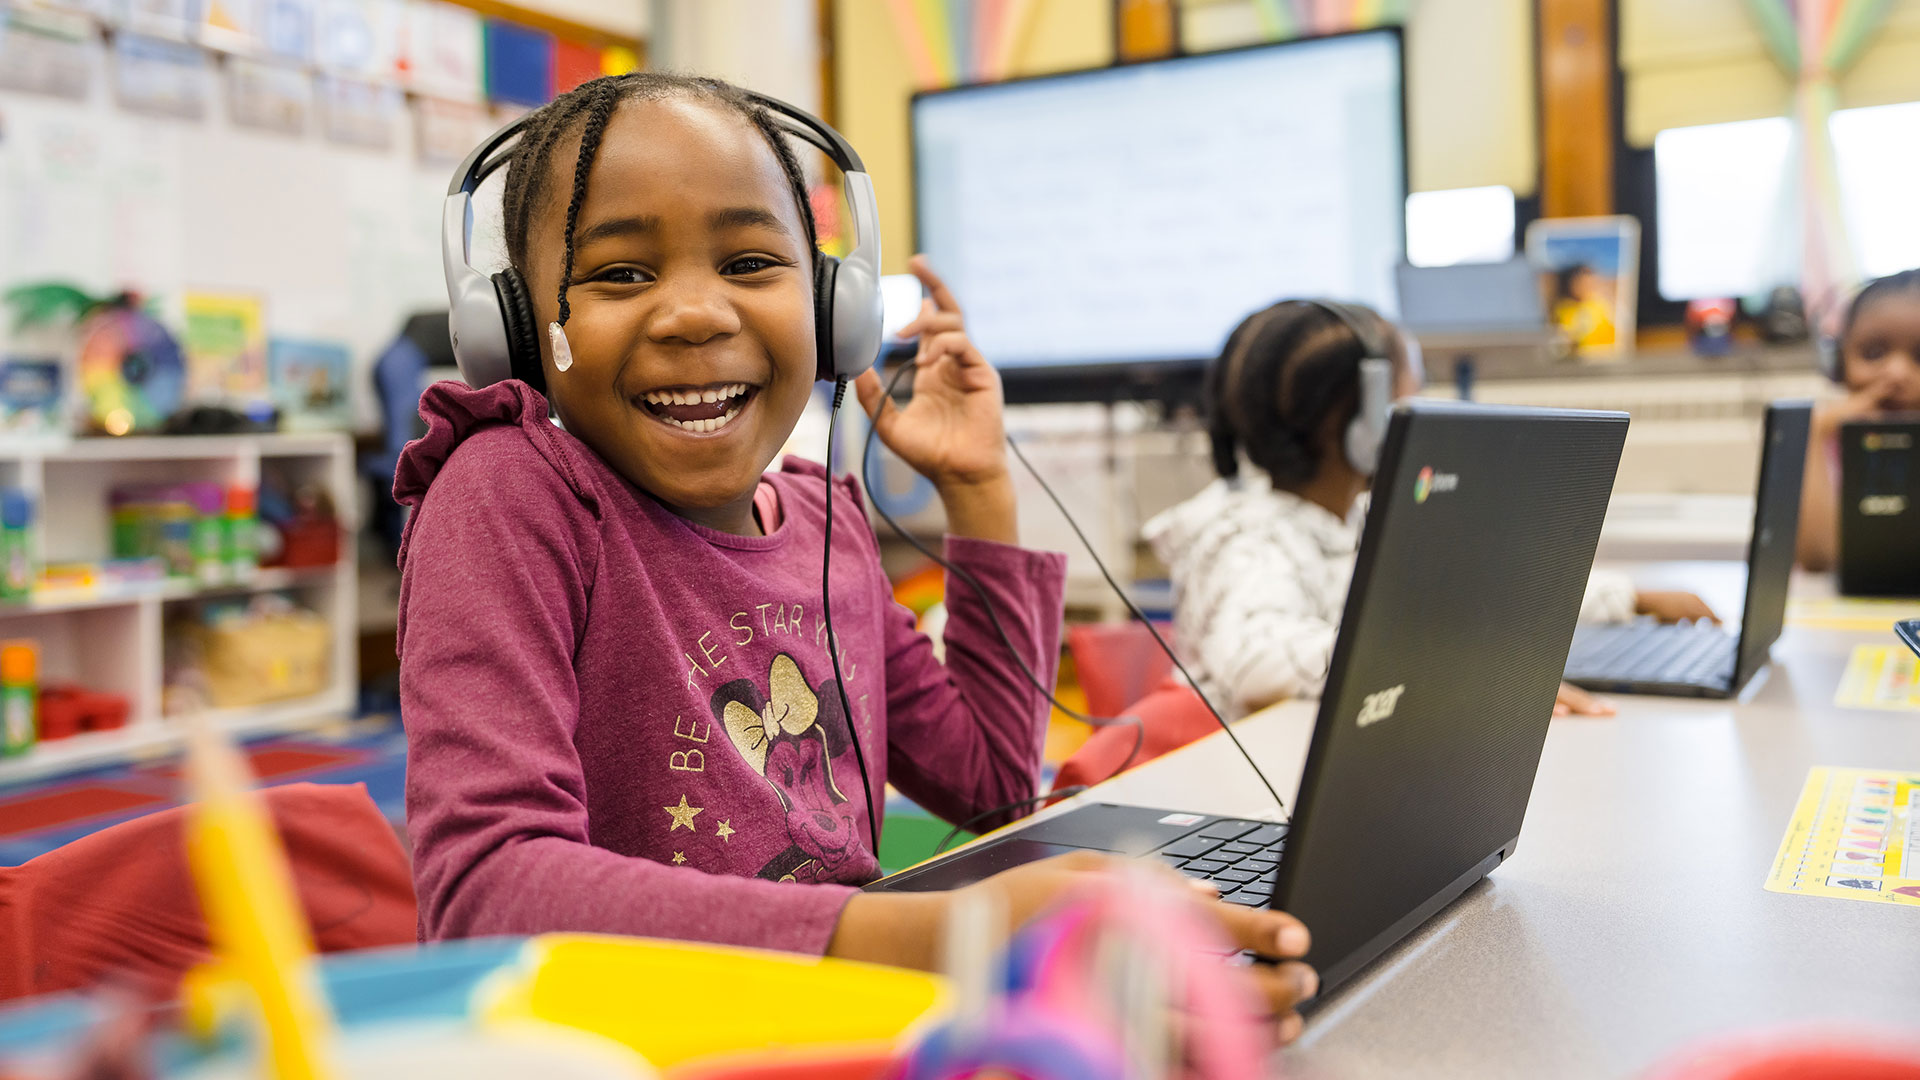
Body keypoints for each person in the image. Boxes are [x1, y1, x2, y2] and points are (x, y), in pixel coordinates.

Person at [395, 73, 1317, 1039]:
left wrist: (979, 492)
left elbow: (993, 786)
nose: (695, 314)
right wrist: (944, 942)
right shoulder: (513, 493)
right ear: (513, 328)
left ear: (835, 307)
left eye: (750, 262)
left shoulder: (822, 521)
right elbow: (485, 894)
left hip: (847, 1021)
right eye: (621, 274)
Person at [1146, 299, 1715, 721]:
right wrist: (1451, 674)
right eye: (1410, 397)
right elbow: (1257, 661)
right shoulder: (1247, 538)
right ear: (1363, 420)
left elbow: (1481, 592)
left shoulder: (1359, 515)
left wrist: (1630, 599)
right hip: (1245, 783)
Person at [1797, 269, 1920, 571]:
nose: (1896, 374)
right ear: (1839, 362)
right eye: (1873, 353)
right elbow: (1818, 557)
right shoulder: (1828, 440)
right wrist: (1815, 434)